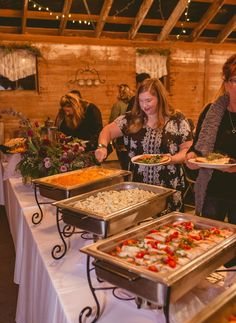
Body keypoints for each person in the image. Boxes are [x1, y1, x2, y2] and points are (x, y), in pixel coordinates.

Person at [95, 78, 193, 212]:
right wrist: (102, 147)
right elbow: (107, 131)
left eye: (148, 101)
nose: (144, 105)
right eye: (141, 101)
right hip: (138, 188)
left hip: (169, 187)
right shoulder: (130, 119)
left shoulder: (177, 120)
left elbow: (187, 150)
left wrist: (171, 159)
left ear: (160, 98)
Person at [185, 53, 236, 224]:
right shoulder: (210, 112)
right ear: (226, 83)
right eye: (235, 80)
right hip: (213, 190)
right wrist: (191, 157)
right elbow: (197, 148)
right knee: (207, 236)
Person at [109, 84, 133, 170]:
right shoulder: (134, 104)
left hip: (121, 139)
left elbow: (112, 122)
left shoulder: (117, 105)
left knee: (124, 164)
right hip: (131, 137)